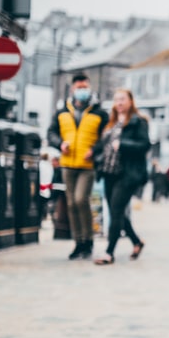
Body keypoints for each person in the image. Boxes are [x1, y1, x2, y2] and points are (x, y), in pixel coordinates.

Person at [47, 73, 108, 259]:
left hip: (87, 165)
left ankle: (88, 240)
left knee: (81, 200)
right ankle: (79, 242)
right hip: (68, 163)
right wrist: (60, 144)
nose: (82, 90)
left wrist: (95, 150)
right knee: (72, 204)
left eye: (85, 87)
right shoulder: (62, 112)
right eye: (79, 87)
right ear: (72, 88)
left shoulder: (99, 112)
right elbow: (51, 133)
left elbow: (106, 137)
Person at [91, 89, 150, 265]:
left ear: (131, 101)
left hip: (127, 174)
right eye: (116, 99)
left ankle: (109, 253)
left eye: (123, 99)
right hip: (109, 172)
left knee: (116, 210)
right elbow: (101, 145)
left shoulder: (138, 122)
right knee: (117, 212)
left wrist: (122, 144)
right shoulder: (111, 123)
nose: (119, 102)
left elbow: (144, 145)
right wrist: (93, 154)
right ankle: (136, 241)